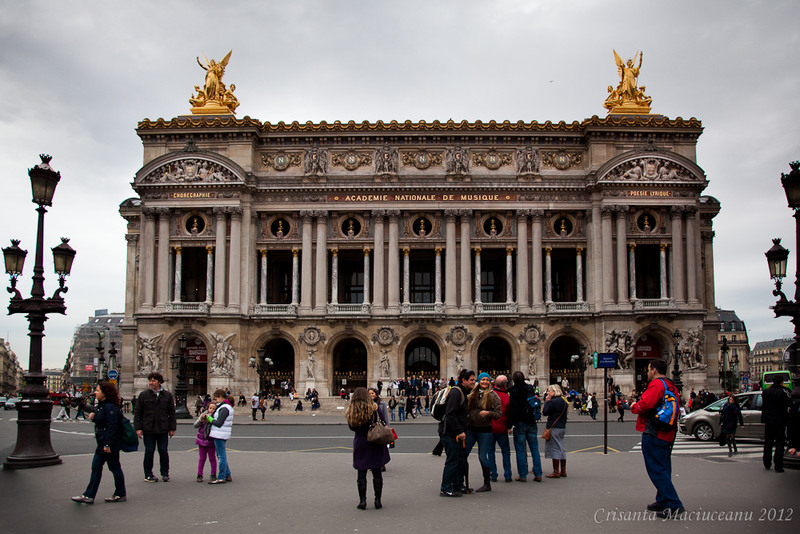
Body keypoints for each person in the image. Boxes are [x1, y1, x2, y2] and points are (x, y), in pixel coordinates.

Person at [630, 359, 683, 517]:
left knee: (656, 469)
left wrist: (634, 406)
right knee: (664, 467)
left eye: (648, 369)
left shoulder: (657, 384)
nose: (647, 372)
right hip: (667, 431)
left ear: (653, 370)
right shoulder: (671, 385)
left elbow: (645, 404)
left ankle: (673, 504)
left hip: (655, 431)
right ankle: (663, 500)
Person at [71, 381, 126, 504]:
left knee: (111, 468)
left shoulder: (110, 408)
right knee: (101, 467)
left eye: (97, 390)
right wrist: (82, 407)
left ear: (105, 393)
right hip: (103, 443)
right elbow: (98, 414)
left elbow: (112, 427)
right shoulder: (104, 406)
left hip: (107, 444)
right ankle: (91, 495)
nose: (95, 392)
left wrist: (108, 445)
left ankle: (117, 493)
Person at [346, 387, 390, 510]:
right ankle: (377, 501)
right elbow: (383, 423)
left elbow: (352, 427)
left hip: (361, 442)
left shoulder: (352, 411)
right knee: (377, 472)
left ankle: (362, 501)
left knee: (361, 472)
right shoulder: (374, 409)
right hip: (375, 441)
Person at [134, 372, 177, 483]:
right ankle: (148, 474)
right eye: (150, 380)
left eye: (153, 381)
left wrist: (172, 428)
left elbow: (172, 413)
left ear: (159, 382)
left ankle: (165, 473)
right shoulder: (143, 395)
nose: (151, 383)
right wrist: (138, 428)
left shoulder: (167, 395)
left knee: (163, 451)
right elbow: (138, 413)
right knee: (149, 451)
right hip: (148, 428)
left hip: (162, 428)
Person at [438, 369, 475, 497]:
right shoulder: (456, 393)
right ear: (463, 380)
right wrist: (459, 431)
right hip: (450, 433)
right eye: (472, 380)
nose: (474, 382)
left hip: (457, 432)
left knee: (460, 459)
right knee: (452, 460)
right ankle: (446, 487)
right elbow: (450, 413)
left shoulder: (462, 392)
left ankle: (458, 484)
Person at [464, 372, 502, 492]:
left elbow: (498, 413)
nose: (485, 382)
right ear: (478, 381)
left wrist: (488, 413)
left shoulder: (493, 396)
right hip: (471, 429)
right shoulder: (472, 394)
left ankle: (487, 483)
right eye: (482, 380)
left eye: (487, 380)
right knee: (463, 455)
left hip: (485, 431)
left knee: (482, 457)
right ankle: (462, 482)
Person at [507, 371, 543, 482]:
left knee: (520, 450)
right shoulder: (529, 388)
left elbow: (513, 410)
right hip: (531, 421)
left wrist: (509, 425)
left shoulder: (513, 391)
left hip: (520, 422)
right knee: (534, 449)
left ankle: (522, 475)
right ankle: (538, 473)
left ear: (513, 380)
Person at [761, 373, 791, 472]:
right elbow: (787, 407)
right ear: (782, 381)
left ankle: (767, 462)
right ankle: (778, 465)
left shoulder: (766, 392)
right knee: (779, 443)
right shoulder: (785, 392)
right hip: (780, 421)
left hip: (768, 420)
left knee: (768, 442)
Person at [488, 374, 512, 483]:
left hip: (490, 427)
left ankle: (493, 474)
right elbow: (509, 413)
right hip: (502, 428)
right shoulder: (506, 397)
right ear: (505, 384)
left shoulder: (489, 395)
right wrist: (509, 427)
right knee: (506, 452)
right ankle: (508, 474)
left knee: (490, 452)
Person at [207, 389, 234, 484]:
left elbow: (219, 422)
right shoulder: (224, 407)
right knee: (220, 455)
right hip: (220, 433)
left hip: (220, 433)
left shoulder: (224, 408)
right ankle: (227, 474)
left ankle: (221, 476)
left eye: (216, 398)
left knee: (221, 456)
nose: (215, 400)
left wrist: (210, 418)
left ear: (221, 397)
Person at [542, 384, 568, 479]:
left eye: (549, 391)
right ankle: (563, 470)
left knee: (555, 448)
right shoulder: (563, 401)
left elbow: (545, 412)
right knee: (561, 448)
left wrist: (547, 402)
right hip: (562, 427)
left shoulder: (552, 402)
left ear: (554, 391)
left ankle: (556, 471)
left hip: (554, 427)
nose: (548, 393)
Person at [193, 402, 217, 482]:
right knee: (202, 458)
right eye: (210, 408)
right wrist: (201, 420)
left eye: (214, 409)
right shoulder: (203, 415)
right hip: (202, 439)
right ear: (207, 408)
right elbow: (195, 425)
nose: (212, 410)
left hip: (211, 440)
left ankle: (213, 474)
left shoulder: (215, 417)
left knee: (212, 458)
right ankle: (199, 474)